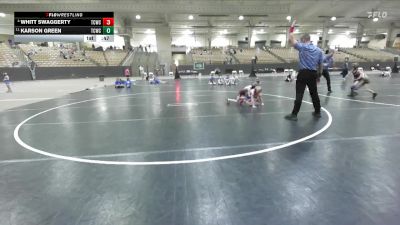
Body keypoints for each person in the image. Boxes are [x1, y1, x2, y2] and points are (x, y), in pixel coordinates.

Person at [284, 20, 324, 121]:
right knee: (314, 93)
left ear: (304, 39)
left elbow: (291, 38)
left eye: (301, 40)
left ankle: (294, 115)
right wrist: (319, 76)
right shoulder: (319, 50)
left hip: (303, 73)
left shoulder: (302, 47)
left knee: (299, 94)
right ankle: (318, 112)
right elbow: (321, 64)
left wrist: (292, 27)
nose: (300, 41)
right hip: (313, 73)